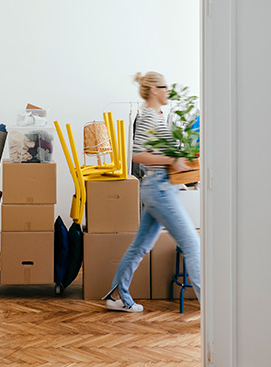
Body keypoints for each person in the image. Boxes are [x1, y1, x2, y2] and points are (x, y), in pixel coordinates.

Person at [102, 71, 201, 312]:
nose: (169, 91)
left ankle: (117, 297)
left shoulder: (158, 115)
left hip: (160, 189)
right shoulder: (147, 116)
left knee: (139, 247)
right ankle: (212, 307)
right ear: (154, 90)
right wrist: (171, 160)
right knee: (192, 244)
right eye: (165, 87)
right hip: (159, 191)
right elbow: (136, 154)